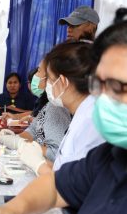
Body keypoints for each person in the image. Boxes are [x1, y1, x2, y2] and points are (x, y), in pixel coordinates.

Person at [0, 12, 127, 214]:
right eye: (99, 84)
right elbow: (57, 186)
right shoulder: (110, 156)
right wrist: (14, 209)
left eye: (117, 87)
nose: (101, 98)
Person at [18, 41, 105, 175]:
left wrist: (39, 165)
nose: (47, 85)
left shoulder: (88, 123)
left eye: (50, 80)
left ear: (63, 82)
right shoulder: (82, 114)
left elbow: (75, 183)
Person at [0, 61, 71, 163]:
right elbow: (33, 130)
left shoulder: (56, 108)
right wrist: (13, 137)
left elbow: (55, 154)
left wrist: (21, 144)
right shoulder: (48, 104)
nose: (35, 76)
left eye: (39, 71)